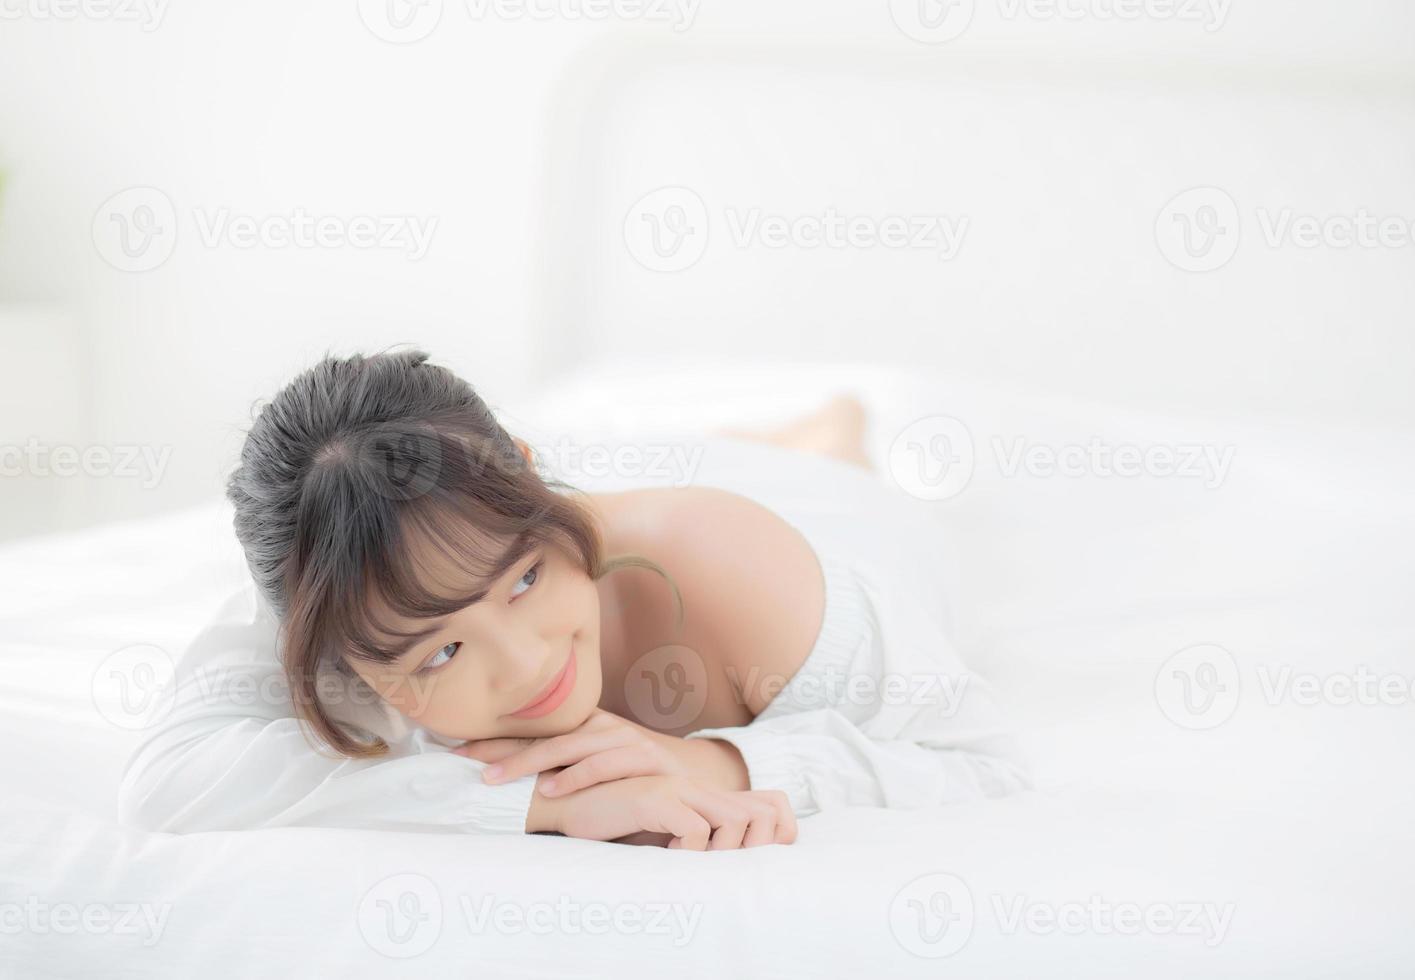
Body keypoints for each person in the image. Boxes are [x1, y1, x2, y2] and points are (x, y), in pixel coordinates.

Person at [116, 349, 1030, 849]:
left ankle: (825, 439)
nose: (530, 668)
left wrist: (713, 765)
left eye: (522, 580)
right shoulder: (339, 588)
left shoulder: (735, 565)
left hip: (832, 530)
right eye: (441, 652)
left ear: (524, 473)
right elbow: (167, 782)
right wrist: (543, 801)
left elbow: (983, 761)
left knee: (817, 464)